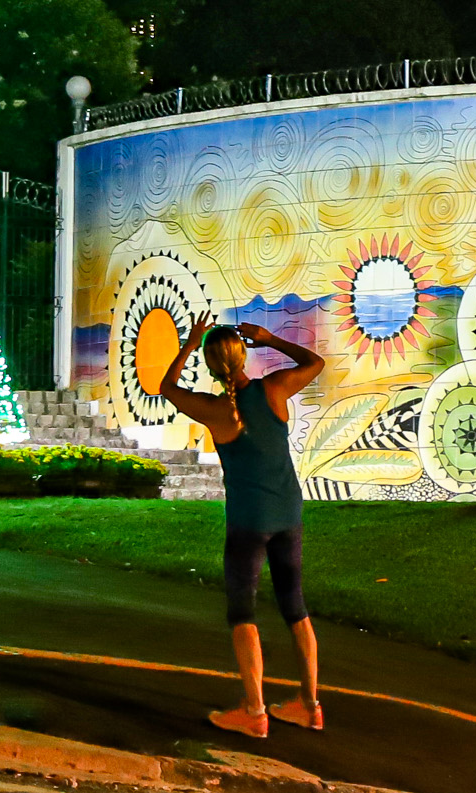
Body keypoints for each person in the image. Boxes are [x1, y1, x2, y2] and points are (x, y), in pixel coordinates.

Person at [158, 315, 324, 737]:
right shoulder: (274, 389)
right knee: (295, 608)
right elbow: (314, 363)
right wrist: (272, 338)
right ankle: (309, 706)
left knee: (243, 612)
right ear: (244, 354)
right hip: (288, 514)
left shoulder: (216, 410)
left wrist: (189, 343)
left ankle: (254, 711)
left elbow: (167, 389)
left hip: (248, 524)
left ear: (212, 366)